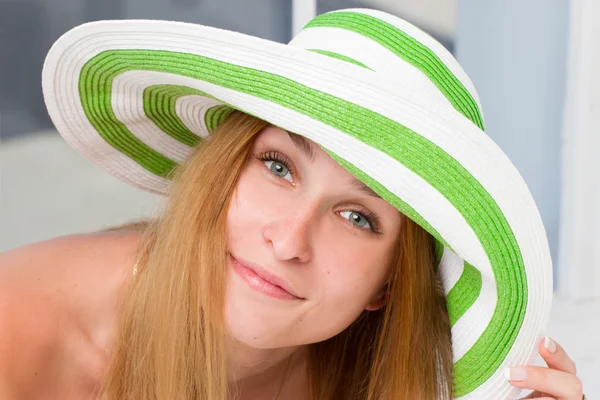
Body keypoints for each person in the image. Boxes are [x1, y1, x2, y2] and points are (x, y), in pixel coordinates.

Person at [0, 8, 585, 400]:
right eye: (278, 167)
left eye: (358, 218)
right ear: (220, 173)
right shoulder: (20, 333)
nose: (288, 240)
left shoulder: (360, 372)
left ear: (387, 286)